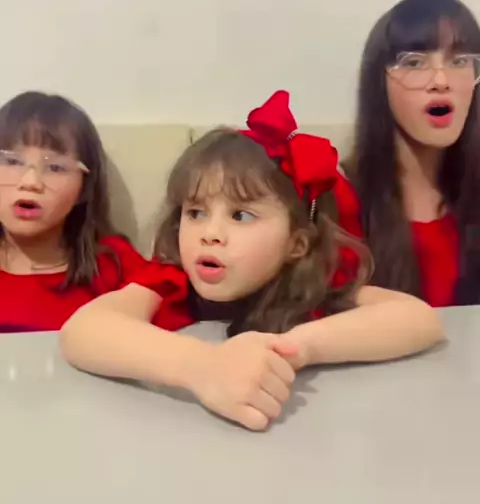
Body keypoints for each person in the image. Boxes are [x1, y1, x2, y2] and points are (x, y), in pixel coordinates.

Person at [60, 90, 443, 431]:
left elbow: (418, 319)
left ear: (296, 244)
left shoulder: (316, 286)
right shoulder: (173, 279)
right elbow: (83, 330)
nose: (210, 233)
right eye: (195, 213)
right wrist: (202, 366)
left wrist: (297, 348)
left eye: (240, 216)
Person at [344, 0, 480, 307]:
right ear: (379, 82)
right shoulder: (339, 200)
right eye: (415, 62)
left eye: (459, 61)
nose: (441, 80)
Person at [0, 91, 158, 332]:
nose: (30, 182)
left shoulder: (112, 265)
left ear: (84, 189)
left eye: (55, 167)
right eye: (12, 162)